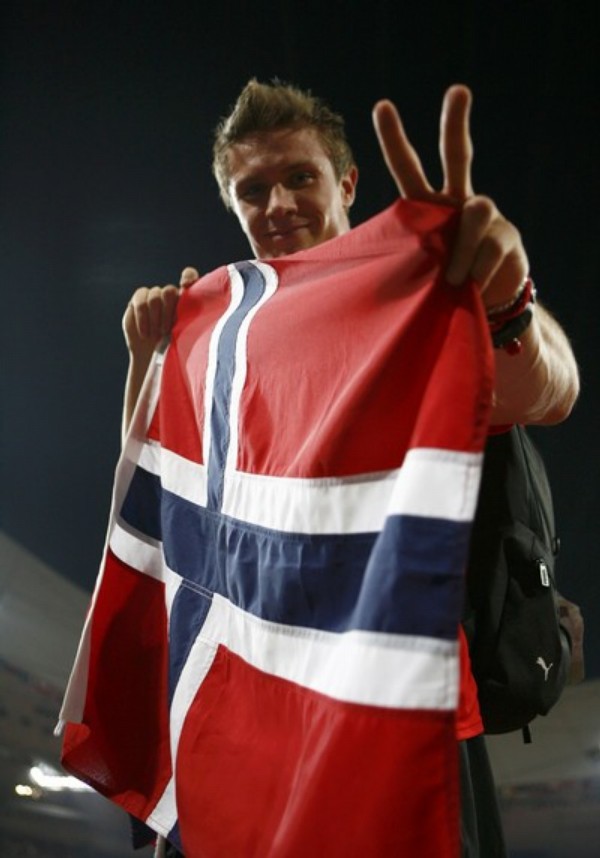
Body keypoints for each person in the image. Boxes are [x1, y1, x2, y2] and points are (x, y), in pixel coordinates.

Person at [121, 80, 579, 857]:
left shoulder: (421, 289)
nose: (278, 204)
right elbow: (156, 507)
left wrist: (506, 302)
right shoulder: (224, 337)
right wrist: (148, 360)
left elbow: (549, 391)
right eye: (253, 189)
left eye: (300, 176)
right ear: (232, 205)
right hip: (245, 721)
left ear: (348, 183)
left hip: (392, 705)